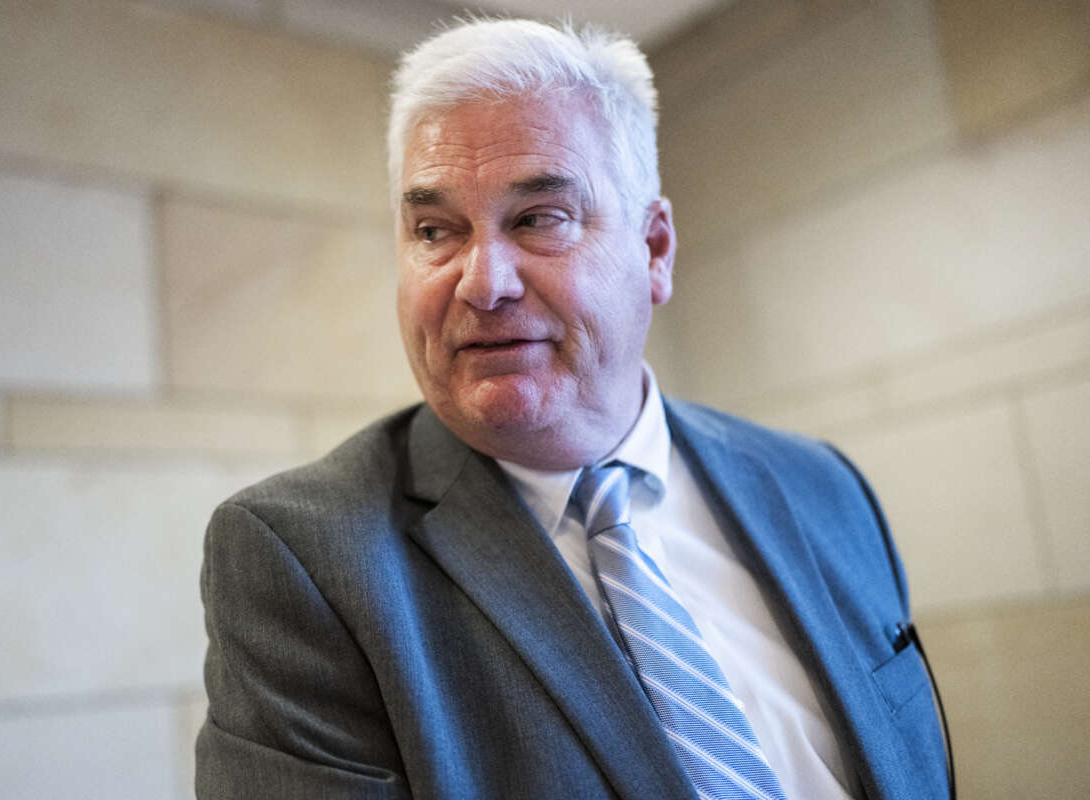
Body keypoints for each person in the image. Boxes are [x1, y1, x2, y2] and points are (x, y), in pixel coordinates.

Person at [196, 18, 950, 800]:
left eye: (538, 219)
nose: (483, 283)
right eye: (434, 230)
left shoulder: (822, 485)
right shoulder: (305, 561)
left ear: (654, 249)